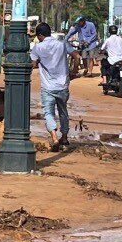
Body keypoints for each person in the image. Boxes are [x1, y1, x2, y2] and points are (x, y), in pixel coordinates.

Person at [31, 21, 76, 150]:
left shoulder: (38, 47)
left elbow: (33, 64)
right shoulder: (62, 44)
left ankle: (55, 138)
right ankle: (65, 137)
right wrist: (74, 71)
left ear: (39, 35)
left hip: (47, 87)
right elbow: (76, 56)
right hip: (62, 85)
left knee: (48, 113)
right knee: (63, 111)